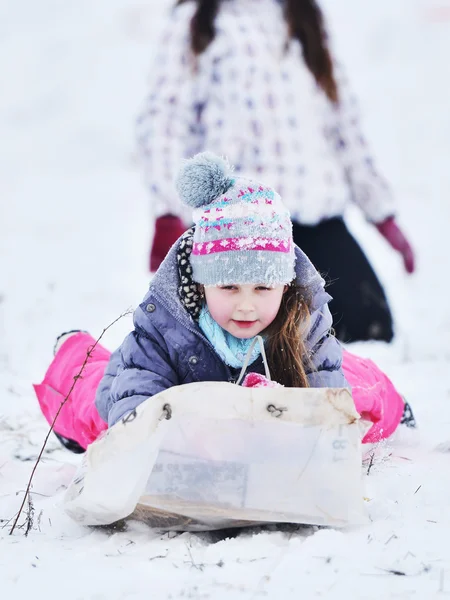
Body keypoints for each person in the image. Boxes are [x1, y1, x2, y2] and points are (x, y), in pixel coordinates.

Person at [34, 153, 413, 454]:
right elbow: (136, 404)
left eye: (263, 288)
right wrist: (165, 445)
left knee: (360, 395)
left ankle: (400, 405)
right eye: (229, 287)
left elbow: (330, 407)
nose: (246, 307)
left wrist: (312, 434)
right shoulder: (165, 327)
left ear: (285, 284)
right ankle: (74, 349)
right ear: (202, 283)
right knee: (99, 410)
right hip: (176, 415)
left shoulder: (301, 320)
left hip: (271, 407)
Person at [136, 0, 415, 343]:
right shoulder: (196, 20)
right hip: (239, 225)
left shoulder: (304, 16)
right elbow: (165, 121)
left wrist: (380, 212)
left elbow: (343, 125)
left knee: (367, 328)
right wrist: (169, 211)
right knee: (254, 337)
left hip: (316, 220)